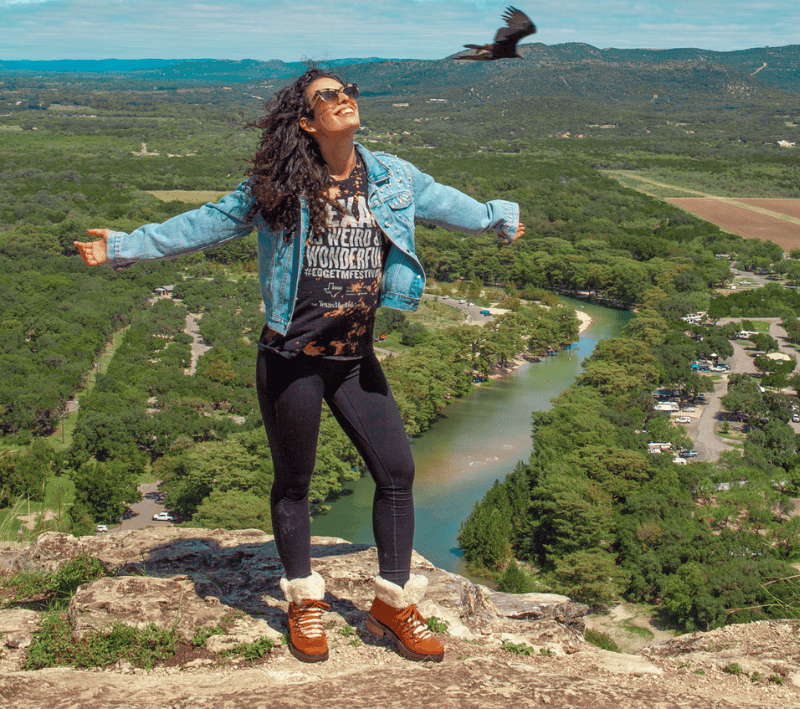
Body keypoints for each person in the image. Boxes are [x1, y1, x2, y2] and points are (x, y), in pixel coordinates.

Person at [75, 68, 524, 664]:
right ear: (308, 121)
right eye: (328, 96)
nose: (345, 100)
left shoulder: (392, 176)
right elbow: (204, 223)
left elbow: (451, 204)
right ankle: (303, 601)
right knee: (294, 484)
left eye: (349, 91)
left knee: (397, 472)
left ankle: (391, 603)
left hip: (354, 358)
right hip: (292, 358)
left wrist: (500, 216)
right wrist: (124, 245)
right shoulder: (277, 185)